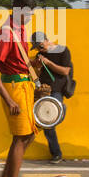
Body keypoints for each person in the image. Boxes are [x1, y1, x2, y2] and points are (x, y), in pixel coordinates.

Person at [0, 0, 38, 177]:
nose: (29, 17)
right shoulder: (7, 32)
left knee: (29, 136)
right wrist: (8, 99)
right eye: (27, 13)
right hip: (15, 88)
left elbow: (16, 61)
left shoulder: (19, 29)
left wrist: (33, 64)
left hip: (24, 85)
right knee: (21, 137)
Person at [30, 30, 72, 164]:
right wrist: (36, 64)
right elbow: (36, 72)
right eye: (37, 47)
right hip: (43, 91)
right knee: (47, 123)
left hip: (57, 91)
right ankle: (56, 153)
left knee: (50, 121)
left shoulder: (63, 50)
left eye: (40, 46)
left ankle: (61, 110)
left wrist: (48, 63)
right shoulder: (40, 54)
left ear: (47, 41)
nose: (39, 49)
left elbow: (65, 71)